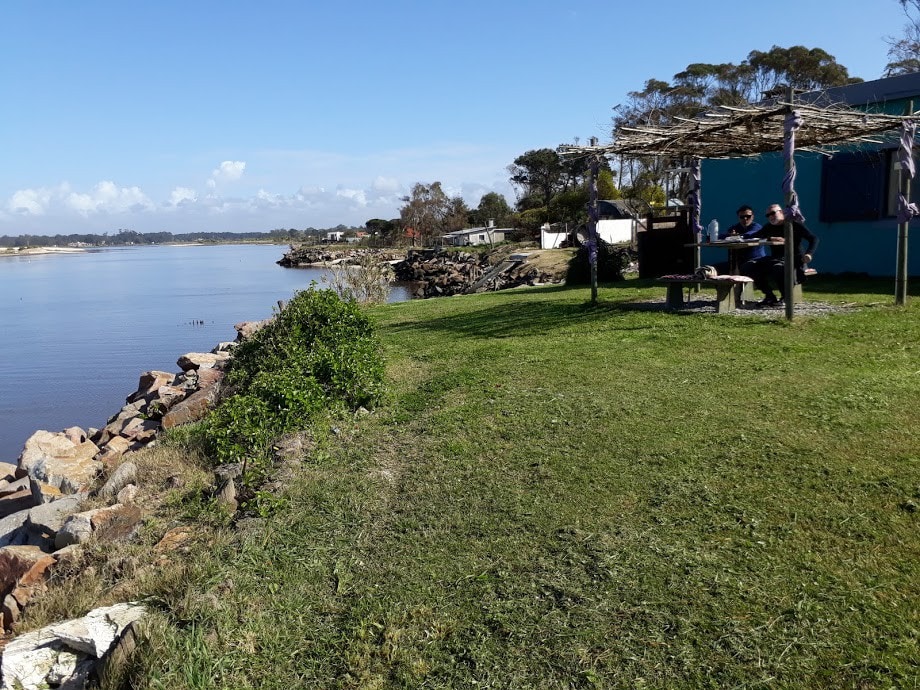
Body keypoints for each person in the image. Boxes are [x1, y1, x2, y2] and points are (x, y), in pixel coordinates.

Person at [746, 203, 819, 306]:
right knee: (749, 265)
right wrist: (770, 238)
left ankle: (786, 297)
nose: (770, 217)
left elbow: (814, 238)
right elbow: (754, 237)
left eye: (772, 213)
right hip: (776, 258)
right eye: (767, 215)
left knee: (778, 267)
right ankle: (769, 296)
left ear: (781, 212)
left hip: (794, 258)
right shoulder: (768, 227)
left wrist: (809, 254)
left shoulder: (793, 224)